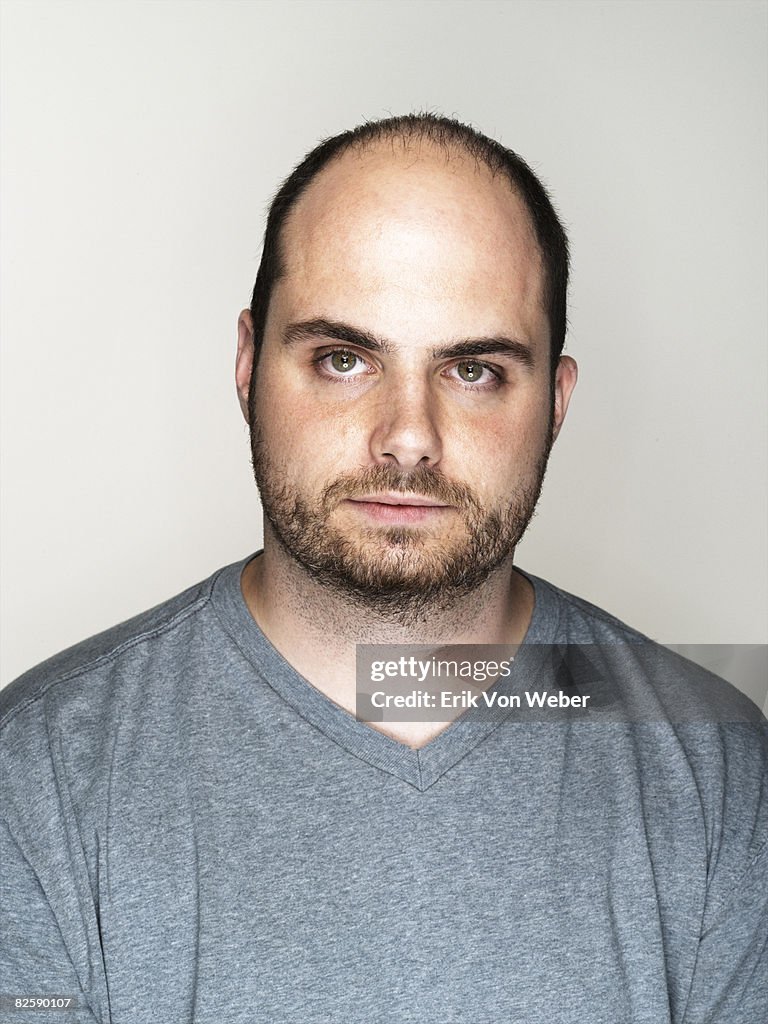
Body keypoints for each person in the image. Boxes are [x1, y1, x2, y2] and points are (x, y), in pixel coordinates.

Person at [1, 113, 765, 1024]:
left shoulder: (715, 762)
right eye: (343, 358)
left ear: (556, 403)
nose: (408, 437)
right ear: (247, 367)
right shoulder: (39, 772)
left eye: (474, 370)